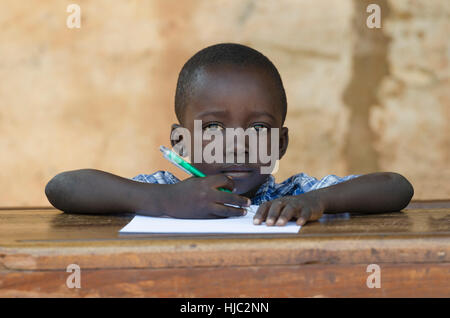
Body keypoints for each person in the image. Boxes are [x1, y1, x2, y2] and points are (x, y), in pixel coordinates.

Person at [45, 43, 414, 226]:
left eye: (257, 128)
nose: (237, 143)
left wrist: (318, 204)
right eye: (214, 127)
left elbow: (396, 186)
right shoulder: (163, 191)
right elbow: (63, 187)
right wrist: (164, 201)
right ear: (180, 142)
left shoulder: (292, 198)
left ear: (280, 144)